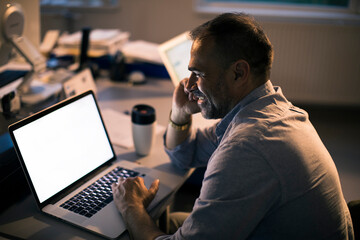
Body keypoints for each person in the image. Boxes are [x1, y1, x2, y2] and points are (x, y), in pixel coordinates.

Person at [111, 12, 354, 239]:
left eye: (199, 74)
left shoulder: (248, 147)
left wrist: (131, 207)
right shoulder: (271, 109)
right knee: (172, 218)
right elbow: (184, 155)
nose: (190, 85)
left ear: (239, 73)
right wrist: (180, 111)